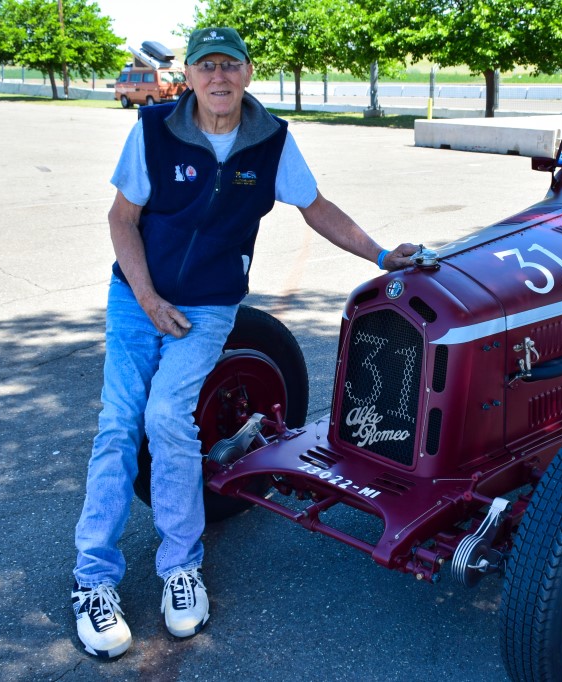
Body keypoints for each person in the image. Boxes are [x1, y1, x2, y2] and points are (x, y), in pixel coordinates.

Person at [71, 26, 417, 659]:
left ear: (248, 73)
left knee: (168, 416)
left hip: (206, 307)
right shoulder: (153, 130)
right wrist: (147, 299)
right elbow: (122, 219)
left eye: (230, 65)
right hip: (137, 298)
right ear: (192, 76)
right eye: (207, 66)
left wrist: (378, 254)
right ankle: (93, 580)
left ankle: (181, 569)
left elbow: (317, 207)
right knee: (119, 424)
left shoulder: (271, 141)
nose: (219, 77)